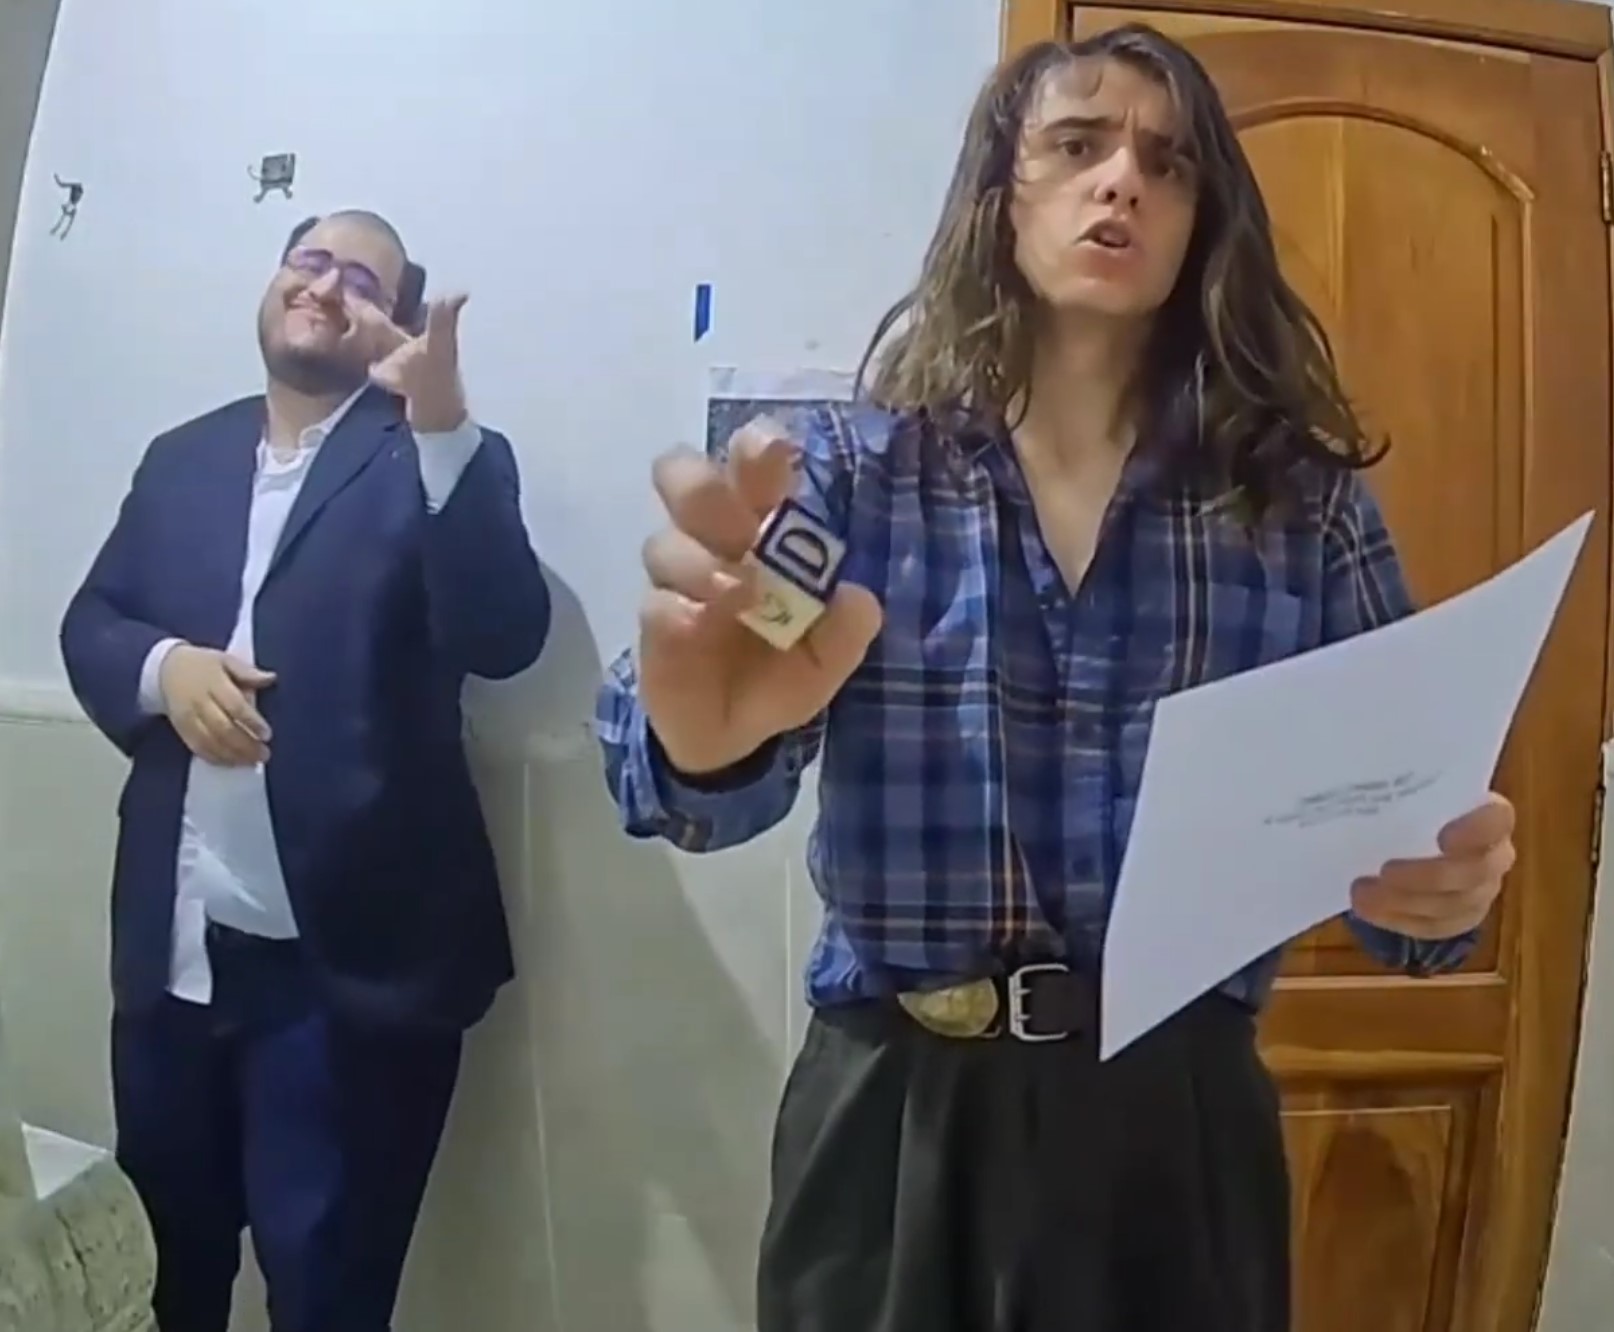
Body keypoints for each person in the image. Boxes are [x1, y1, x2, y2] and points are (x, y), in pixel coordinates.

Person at [595, 26, 1515, 1332]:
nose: (1122, 179)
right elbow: (691, 777)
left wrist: (1438, 891)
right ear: (999, 193)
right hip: (895, 1118)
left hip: (1179, 1125)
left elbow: (1400, 861)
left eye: (1168, 163)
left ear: (1202, 222)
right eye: (1077, 145)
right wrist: (703, 743)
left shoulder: (1298, 504)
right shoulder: (848, 473)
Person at [60, 208, 550, 1332]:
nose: (325, 287)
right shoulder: (183, 457)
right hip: (174, 968)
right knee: (163, 1280)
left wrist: (441, 423)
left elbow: (503, 634)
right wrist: (167, 669)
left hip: (345, 985)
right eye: (310, 261)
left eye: (361, 281)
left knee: (329, 1296)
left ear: (399, 319)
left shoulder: (433, 456)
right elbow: (93, 621)